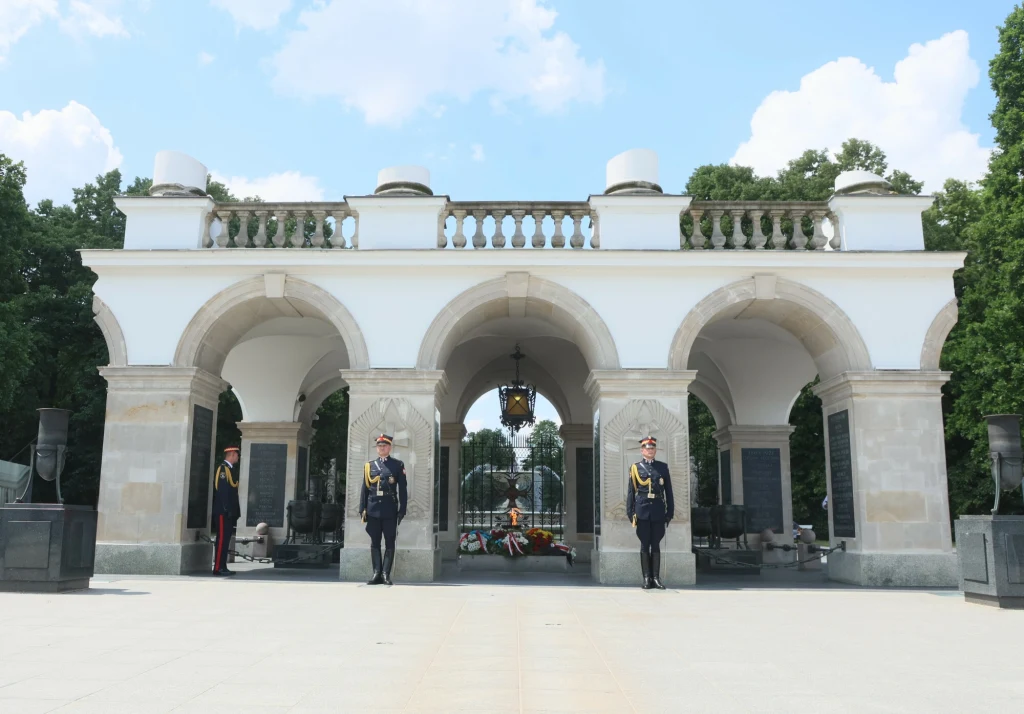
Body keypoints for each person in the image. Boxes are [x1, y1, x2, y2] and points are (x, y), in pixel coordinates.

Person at [626, 435, 674, 590]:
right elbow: (631, 492)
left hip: (658, 510)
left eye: (653, 448)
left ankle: (656, 578)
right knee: (645, 544)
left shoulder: (662, 467)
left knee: (656, 544)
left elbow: (669, 491)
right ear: (642, 451)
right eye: (648, 448)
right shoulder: (635, 468)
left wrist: (670, 512)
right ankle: (647, 578)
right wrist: (630, 512)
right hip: (642, 511)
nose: (651, 450)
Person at [358, 434, 407, 585]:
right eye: (379, 446)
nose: (382, 448)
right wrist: (362, 509)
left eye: (384, 446)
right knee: (375, 542)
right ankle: (376, 573)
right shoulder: (369, 466)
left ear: (389, 447)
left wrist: (402, 510)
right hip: (373, 509)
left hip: (389, 509)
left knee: (390, 541)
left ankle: (386, 574)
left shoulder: (397, 465)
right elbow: (365, 489)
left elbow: (403, 489)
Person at [212, 446, 241, 576]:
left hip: (229, 512)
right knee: (222, 539)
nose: (238, 457)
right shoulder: (223, 469)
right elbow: (223, 492)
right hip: (224, 512)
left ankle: (223, 565)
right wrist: (226, 509)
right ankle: (218, 567)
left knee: (226, 540)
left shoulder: (230, 469)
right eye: (237, 455)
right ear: (232, 454)